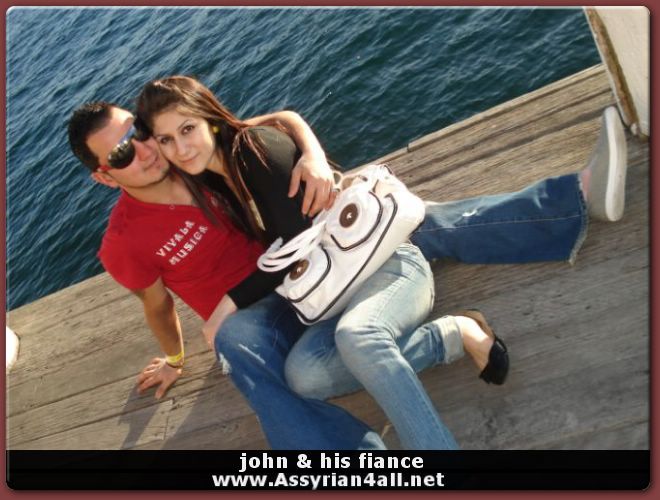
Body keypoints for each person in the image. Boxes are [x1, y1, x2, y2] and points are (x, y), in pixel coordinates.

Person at [67, 85, 626, 448]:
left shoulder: (204, 153)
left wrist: (311, 152)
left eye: (141, 134)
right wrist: (174, 356)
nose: (148, 150)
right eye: (124, 152)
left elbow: (270, 125)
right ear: (103, 174)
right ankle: (436, 354)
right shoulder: (145, 218)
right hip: (294, 293)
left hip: (326, 266)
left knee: (413, 227)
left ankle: (574, 199)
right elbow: (156, 303)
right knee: (276, 360)